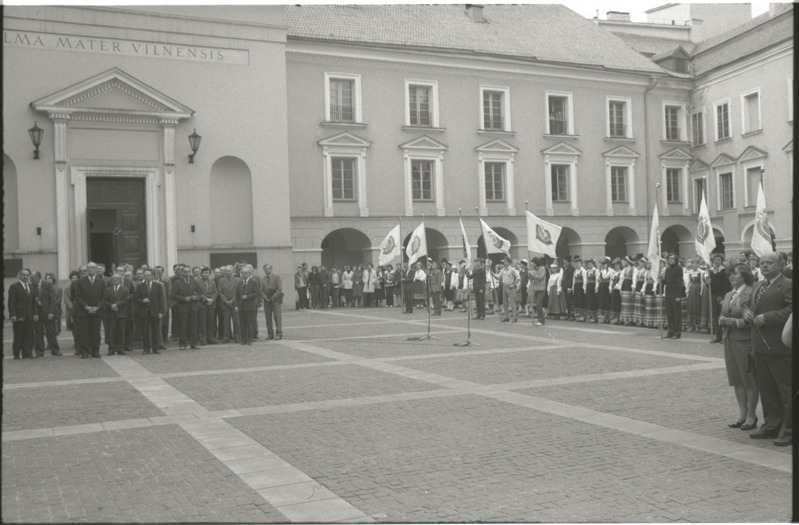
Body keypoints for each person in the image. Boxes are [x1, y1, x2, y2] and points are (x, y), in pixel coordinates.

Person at [743, 251, 793, 447]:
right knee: (767, 389)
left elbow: (791, 310)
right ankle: (772, 424)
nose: (764, 266)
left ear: (781, 266)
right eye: (762, 263)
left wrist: (768, 318)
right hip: (760, 346)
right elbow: (746, 304)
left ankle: (789, 430)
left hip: (780, 346)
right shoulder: (758, 285)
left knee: (786, 391)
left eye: (769, 263)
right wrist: (746, 312)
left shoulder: (788, 285)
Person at [718, 264, 758, 430]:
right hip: (730, 341)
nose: (731, 276)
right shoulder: (729, 294)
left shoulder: (751, 292)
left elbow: (753, 318)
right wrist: (721, 320)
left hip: (745, 341)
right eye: (730, 274)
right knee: (736, 379)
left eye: (735, 273)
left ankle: (751, 415)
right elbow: (723, 313)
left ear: (744, 275)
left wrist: (736, 323)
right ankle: (742, 413)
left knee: (749, 379)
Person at [75, 262, 106, 358]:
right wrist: (86, 306)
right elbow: (78, 296)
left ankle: (95, 351)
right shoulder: (81, 281)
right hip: (84, 311)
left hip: (97, 311)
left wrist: (98, 307)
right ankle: (85, 351)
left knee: (96, 332)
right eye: (88, 268)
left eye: (92, 268)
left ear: (96, 269)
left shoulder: (101, 281)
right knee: (84, 332)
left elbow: (104, 296)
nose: (90, 270)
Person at [171, 264, 202, 350]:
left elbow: (200, 293)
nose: (187, 273)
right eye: (185, 272)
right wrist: (184, 298)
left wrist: (196, 297)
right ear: (182, 272)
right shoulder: (177, 282)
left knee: (194, 326)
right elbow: (172, 295)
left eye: (188, 272)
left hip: (193, 307)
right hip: (182, 307)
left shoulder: (194, 281)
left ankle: (193, 343)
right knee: (182, 326)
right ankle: (182, 344)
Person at [8, 268, 36, 360]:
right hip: (19, 316)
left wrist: (35, 313)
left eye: (27, 275)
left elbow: (33, 302)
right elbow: (11, 302)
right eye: (23, 275)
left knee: (28, 336)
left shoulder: (31, 287)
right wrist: (13, 315)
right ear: (19, 276)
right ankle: (16, 354)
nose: (25, 277)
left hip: (29, 315)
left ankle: (27, 353)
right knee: (18, 335)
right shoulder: (14, 287)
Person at [31, 271, 61, 356]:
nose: (31, 279)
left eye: (32, 278)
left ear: (38, 277)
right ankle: (39, 352)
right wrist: (35, 313)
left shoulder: (48, 285)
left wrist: (51, 312)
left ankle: (55, 350)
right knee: (38, 333)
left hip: (48, 312)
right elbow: (33, 302)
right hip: (38, 312)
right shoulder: (32, 286)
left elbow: (53, 299)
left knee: (51, 332)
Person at [135, 268, 164, 354]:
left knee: (155, 331)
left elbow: (161, 300)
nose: (146, 277)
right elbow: (136, 299)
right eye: (145, 275)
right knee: (145, 331)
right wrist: (142, 300)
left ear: (152, 276)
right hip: (144, 311)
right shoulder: (140, 286)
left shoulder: (157, 286)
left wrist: (161, 312)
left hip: (155, 311)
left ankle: (155, 348)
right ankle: (146, 349)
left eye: (148, 275)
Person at [104, 273, 130, 355]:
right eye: (113, 279)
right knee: (111, 332)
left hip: (121, 313)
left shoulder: (125, 289)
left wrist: (117, 305)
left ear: (120, 280)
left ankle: (120, 348)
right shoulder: (107, 290)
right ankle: (111, 348)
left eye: (117, 278)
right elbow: (105, 300)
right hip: (111, 313)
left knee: (121, 332)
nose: (115, 280)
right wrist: (111, 305)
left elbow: (126, 300)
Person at [708, 253, 731, 343]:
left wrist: (722, 296)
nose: (716, 261)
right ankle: (718, 335)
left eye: (718, 259)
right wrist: (708, 283)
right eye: (715, 260)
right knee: (715, 316)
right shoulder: (711, 271)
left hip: (721, 296)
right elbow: (710, 285)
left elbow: (726, 285)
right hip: (713, 295)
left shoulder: (724, 271)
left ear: (721, 261)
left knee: (723, 315)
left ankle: (724, 336)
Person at [663, 253, 685, 339]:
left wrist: (678, 295)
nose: (670, 260)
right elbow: (665, 281)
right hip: (668, 293)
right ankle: (670, 331)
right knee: (669, 313)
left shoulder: (679, 268)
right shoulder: (667, 269)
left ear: (675, 259)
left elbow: (680, 283)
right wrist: (661, 279)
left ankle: (677, 332)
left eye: (672, 258)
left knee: (677, 314)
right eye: (669, 259)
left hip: (675, 293)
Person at [217, 265, 241, 343]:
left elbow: (238, 292)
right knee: (225, 322)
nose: (227, 272)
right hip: (225, 304)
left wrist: (233, 300)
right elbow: (220, 292)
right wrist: (225, 301)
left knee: (236, 321)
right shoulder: (221, 281)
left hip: (234, 304)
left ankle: (237, 336)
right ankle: (226, 337)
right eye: (226, 271)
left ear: (232, 271)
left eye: (229, 271)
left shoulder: (238, 280)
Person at [236, 265, 259, 345]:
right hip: (241, 307)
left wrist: (248, 297)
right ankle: (243, 339)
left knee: (250, 324)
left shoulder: (253, 282)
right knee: (242, 324)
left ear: (249, 274)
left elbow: (256, 293)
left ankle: (250, 339)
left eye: (246, 273)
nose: (244, 275)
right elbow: (237, 296)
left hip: (250, 307)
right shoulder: (239, 283)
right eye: (243, 273)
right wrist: (236, 306)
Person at [260, 264, 283, 340]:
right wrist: (265, 298)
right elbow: (261, 290)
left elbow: (279, 289)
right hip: (267, 301)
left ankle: (279, 333)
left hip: (275, 300)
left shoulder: (277, 277)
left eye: (268, 268)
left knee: (277, 317)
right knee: (268, 318)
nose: (266, 270)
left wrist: (273, 297)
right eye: (265, 269)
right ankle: (270, 334)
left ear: (271, 269)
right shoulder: (262, 279)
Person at [197, 267, 219, 346]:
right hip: (202, 305)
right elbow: (197, 293)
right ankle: (203, 338)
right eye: (204, 273)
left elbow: (216, 292)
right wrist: (206, 299)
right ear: (201, 274)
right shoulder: (197, 282)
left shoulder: (212, 282)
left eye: (207, 273)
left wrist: (212, 299)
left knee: (211, 322)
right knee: (202, 322)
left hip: (211, 305)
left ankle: (211, 337)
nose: (206, 275)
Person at [498, 255, 520, 323]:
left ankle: (515, 317)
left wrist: (513, 284)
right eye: (504, 261)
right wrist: (492, 274)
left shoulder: (512, 269)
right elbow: (498, 277)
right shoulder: (502, 270)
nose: (504, 262)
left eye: (506, 261)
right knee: (505, 302)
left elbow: (518, 278)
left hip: (510, 286)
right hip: (504, 286)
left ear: (509, 262)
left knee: (512, 302)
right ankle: (506, 316)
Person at [528, 258, 547, 326]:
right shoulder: (534, 270)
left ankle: (542, 320)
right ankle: (539, 319)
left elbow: (540, 277)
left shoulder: (542, 268)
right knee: (537, 304)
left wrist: (533, 275)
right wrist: (530, 275)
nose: (532, 264)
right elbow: (531, 279)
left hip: (541, 289)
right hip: (536, 289)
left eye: (533, 263)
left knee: (538, 304)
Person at [597, 257, 613, 324]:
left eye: (605, 263)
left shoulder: (611, 270)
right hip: (602, 287)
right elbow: (598, 278)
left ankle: (607, 317)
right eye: (603, 264)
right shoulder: (601, 271)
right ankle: (602, 316)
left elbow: (608, 278)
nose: (604, 265)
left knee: (607, 301)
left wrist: (610, 288)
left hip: (607, 287)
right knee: (602, 301)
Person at [572, 257, 586, 322]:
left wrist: (584, 288)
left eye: (578, 263)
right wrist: (573, 287)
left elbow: (585, 280)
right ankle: (578, 314)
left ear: (581, 264)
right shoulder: (575, 271)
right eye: (576, 263)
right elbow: (573, 280)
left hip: (581, 287)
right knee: (577, 301)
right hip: (576, 286)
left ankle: (583, 316)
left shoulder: (583, 271)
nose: (577, 265)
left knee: (581, 301)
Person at [584, 258, 599, 323]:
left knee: (594, 302)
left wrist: (596, 288)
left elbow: (597, 280)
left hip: (593, 287)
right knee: (589, 301)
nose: (589, 265)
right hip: (589, 287)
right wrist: (585, 288)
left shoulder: (596, 271)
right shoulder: (587, 271)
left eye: (590, 264)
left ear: (593, 264)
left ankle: (595, 316)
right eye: (588, 264)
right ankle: (591, 315)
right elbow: (586, 281)